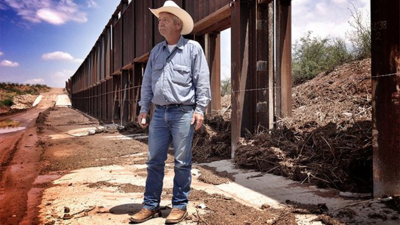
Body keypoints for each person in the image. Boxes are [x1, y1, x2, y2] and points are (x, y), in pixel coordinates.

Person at [130, 1, 211, 224]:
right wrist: (143, 108)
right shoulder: (156, 51)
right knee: (154, 160)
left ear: (178, 24)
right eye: (159, 20)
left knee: (182, 162)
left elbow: (202, 82)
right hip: (159, 114)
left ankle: (179, 206)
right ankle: (150, 205)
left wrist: (200, 110)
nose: (160, 24)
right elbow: (147, 82)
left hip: (183, 113)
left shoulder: (193, 49)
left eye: (164, 20)